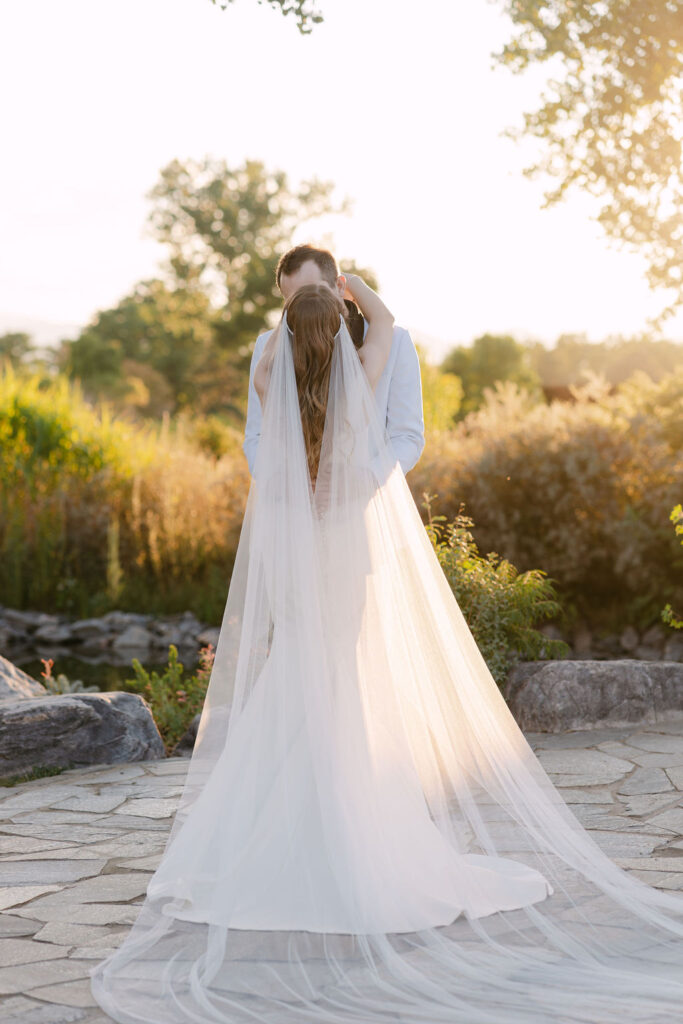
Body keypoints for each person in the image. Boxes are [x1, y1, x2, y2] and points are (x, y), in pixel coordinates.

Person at [91, 272, 683, 1024]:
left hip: (299, 556)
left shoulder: (272, 378)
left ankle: (285, 836)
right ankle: (348, 827)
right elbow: (388, 319)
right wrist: (353, 289)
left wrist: (295, 317)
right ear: (337, 336)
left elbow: (269, 409)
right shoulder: (357, 385)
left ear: (284, 334)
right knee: (344, 682)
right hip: (347, 555)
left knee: (299, 677)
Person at [243, 243, 425, 479]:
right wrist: (285, 486)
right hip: (291, 505)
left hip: (364, 504)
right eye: (293, 301)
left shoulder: (397, 341)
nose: (304, 308)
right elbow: (256, 437)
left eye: (308, 294)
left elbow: (407, 437)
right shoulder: (369, 361)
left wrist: (367, 480)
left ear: (339, 286)